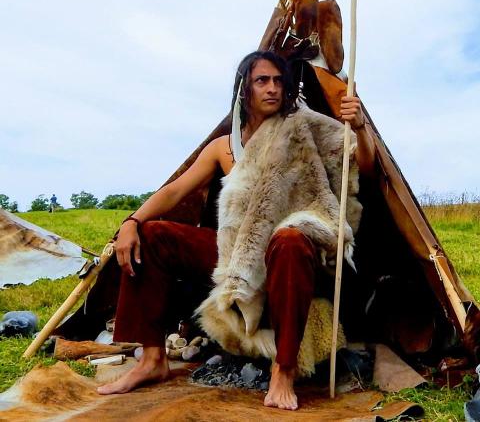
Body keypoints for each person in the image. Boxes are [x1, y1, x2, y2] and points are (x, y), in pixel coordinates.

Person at [97, 51, 376, 410]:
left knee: (289, 239)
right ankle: (152, 360)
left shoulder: (305, 128)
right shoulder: (225, 147)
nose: (272, 88)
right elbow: (175, 191)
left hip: (290, 253)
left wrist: (360, 128)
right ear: (245, 90)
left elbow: (361, 168)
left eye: (278, 81)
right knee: (152, 236)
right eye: (262, 81)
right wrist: (131, 223)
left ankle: (283, 370)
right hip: (238, 254)